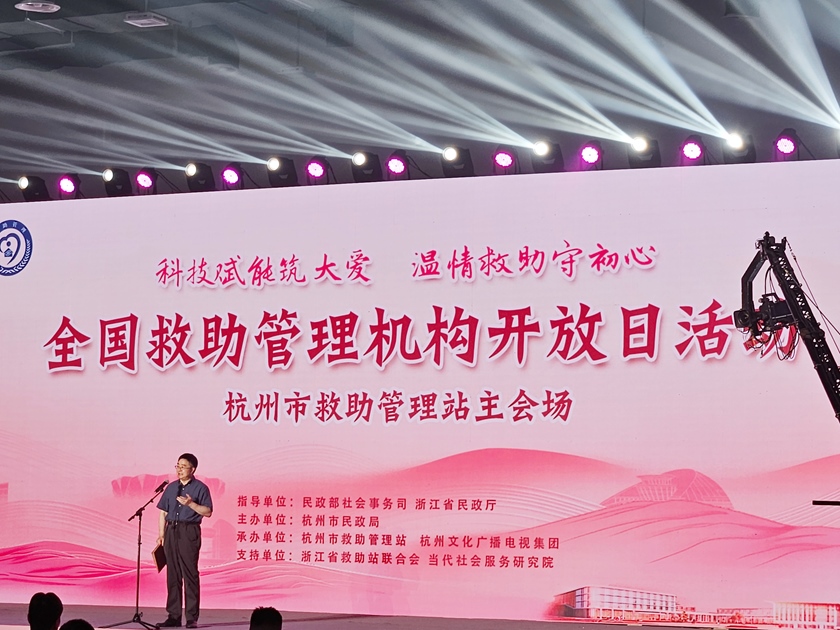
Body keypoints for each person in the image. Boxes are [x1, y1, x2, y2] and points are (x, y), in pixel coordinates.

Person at [156, 453, 213, 629]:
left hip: (189, 531)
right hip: (171, 531)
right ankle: (173, 616)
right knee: (172, 574)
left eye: (183, 466)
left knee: (189, 574)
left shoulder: (200, 488)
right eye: (178, 466)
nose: (179, 469)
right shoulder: (171, 487)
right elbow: (163, 512)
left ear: (192, 469)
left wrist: (191, 504)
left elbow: (208, 512)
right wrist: (161, 534)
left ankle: (191, 617)